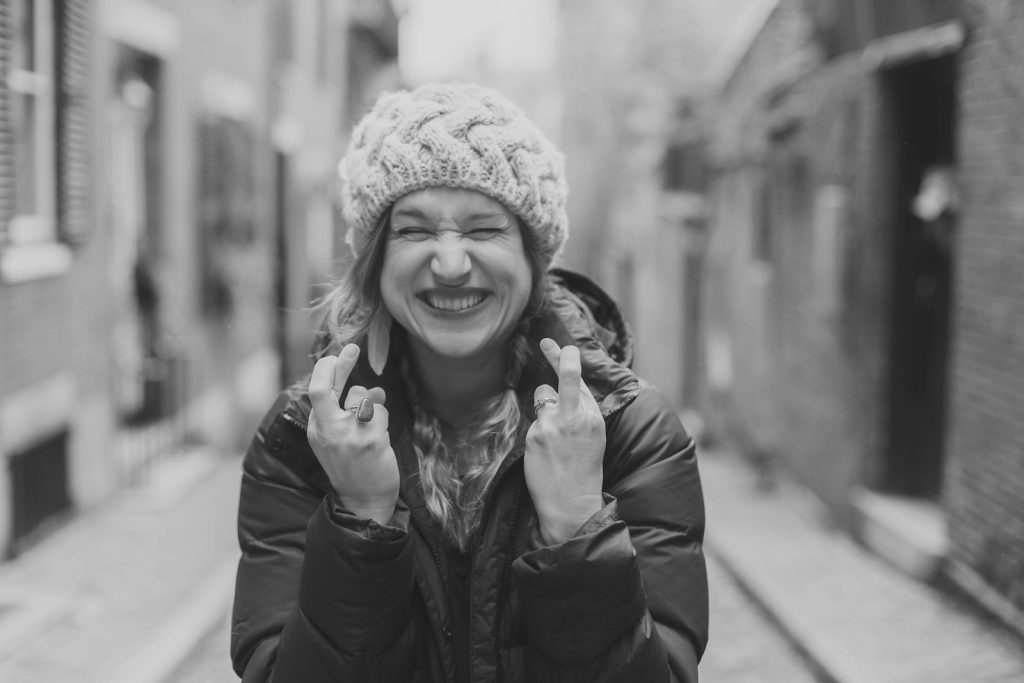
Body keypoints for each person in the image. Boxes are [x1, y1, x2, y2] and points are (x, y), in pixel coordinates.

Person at [231, 82, 709, 682]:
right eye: (414, 230)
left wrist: (577, 526)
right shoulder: (300, 441)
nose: (451, 265)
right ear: (375, 260)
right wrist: (361, 519)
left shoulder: (631, 433)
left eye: (484, 230)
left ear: (534, 258)